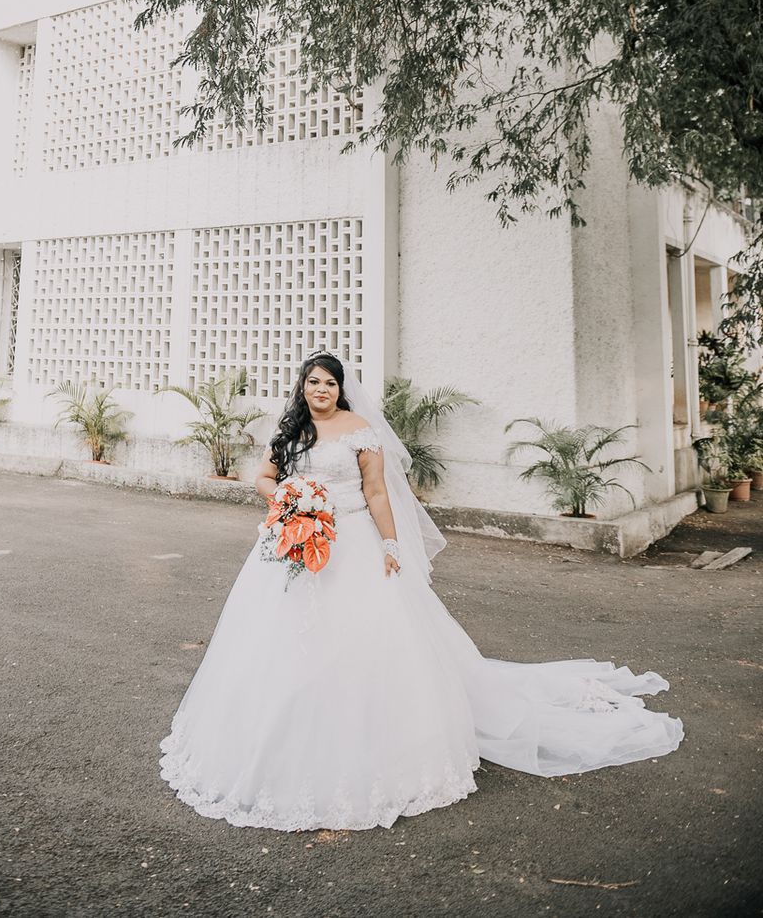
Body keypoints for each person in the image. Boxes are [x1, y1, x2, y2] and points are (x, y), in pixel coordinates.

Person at [159, 351, 684, 831]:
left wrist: (390, 544)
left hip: (354, 543)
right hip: (296, 543)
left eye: (329, 383)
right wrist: (288, 495)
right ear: (302, 387)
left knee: (367, 641)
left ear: (341, 389)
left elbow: (376, 493)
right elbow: (264, 478)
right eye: (312, 382)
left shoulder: (360, 430)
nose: (320, 390)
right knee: (282, 641)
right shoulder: (292, 428)